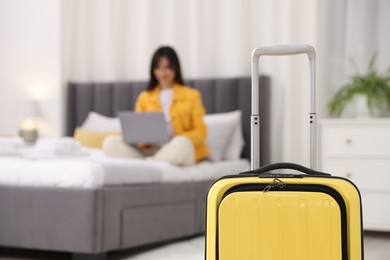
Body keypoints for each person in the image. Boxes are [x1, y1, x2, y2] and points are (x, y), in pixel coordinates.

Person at [103, 46, 209, 166]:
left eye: (167, 68)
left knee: (183, 143)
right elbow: (138, 131)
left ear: (176, 69)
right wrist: (141, 140)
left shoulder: (192, 95)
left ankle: (148, 165)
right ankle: (154, 164)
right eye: (158, 68)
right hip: (149, 150)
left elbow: (201, 132)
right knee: (110, 142)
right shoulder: (144, 97)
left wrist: (178, 136)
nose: (163, 73)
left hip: (174, 148)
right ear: (153, 70)